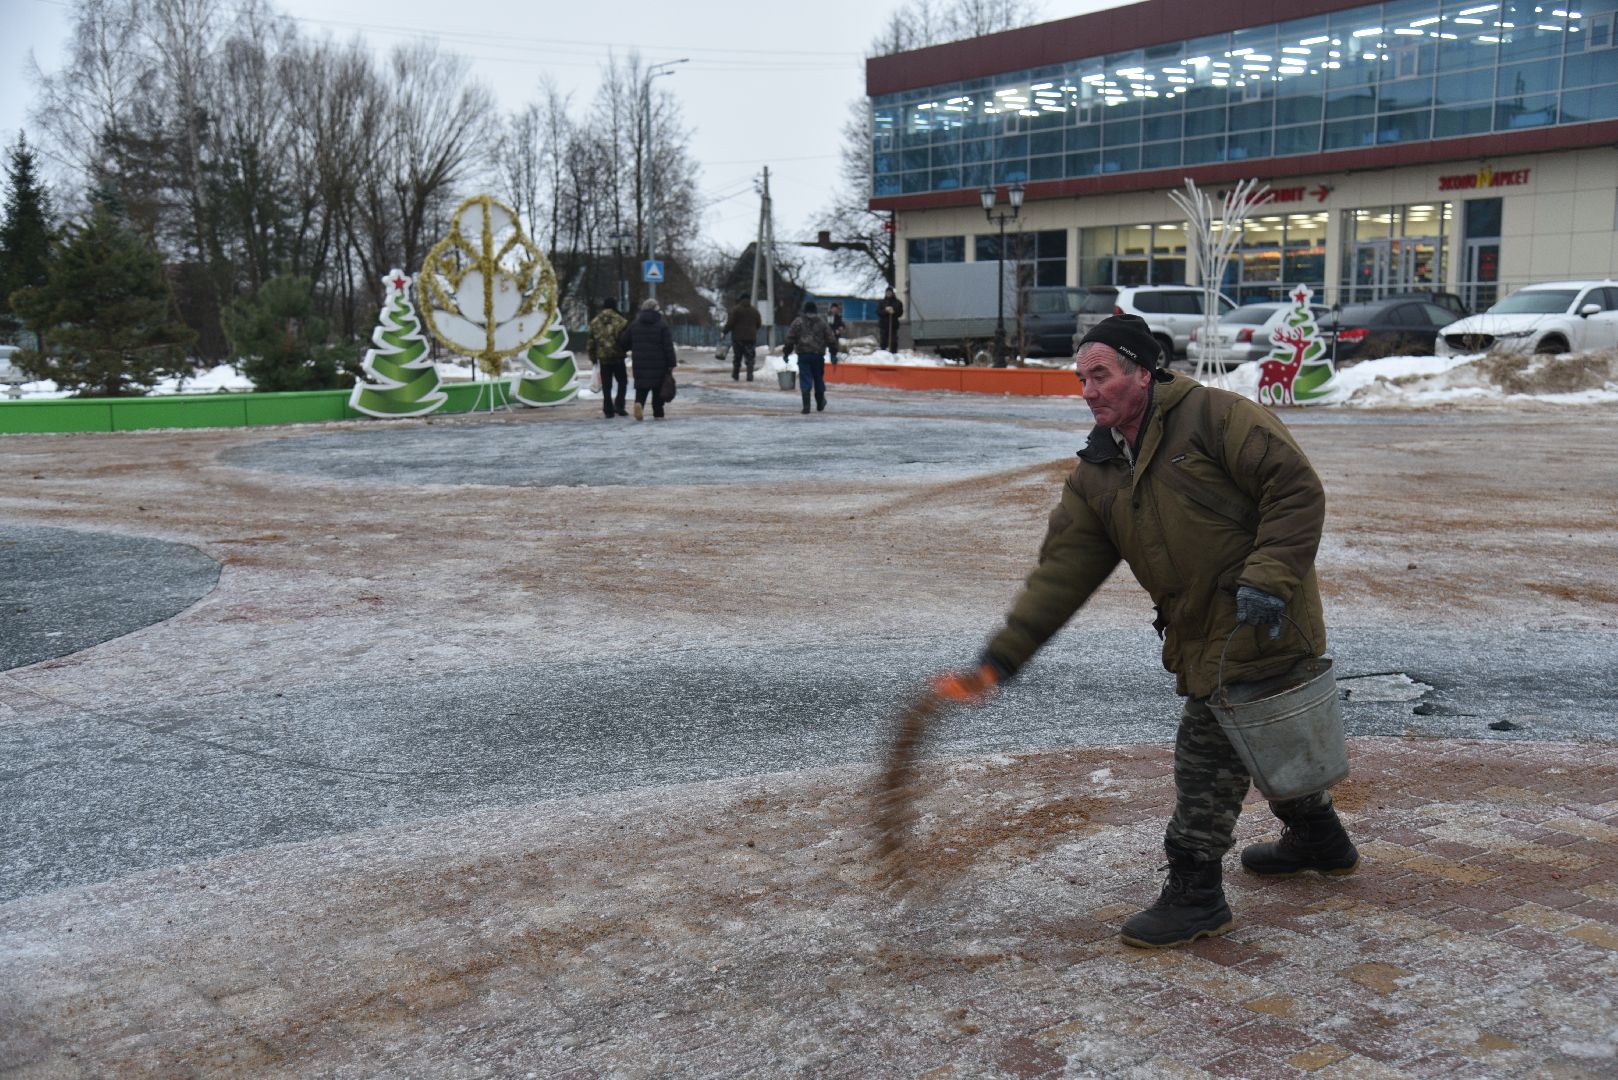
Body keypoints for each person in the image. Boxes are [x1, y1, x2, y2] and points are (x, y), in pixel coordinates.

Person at [929, 313, 1358, 949]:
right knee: (1259, 735)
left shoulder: (1215, 417)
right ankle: (1318, 837)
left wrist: (1268, 580)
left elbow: (1294, 489)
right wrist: (1001, 660)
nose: (1089, 390)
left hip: (1261, 616)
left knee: (1207, 752)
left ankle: (1196, 893)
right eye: (1082, 378)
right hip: (1196, 631)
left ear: (1142, 370)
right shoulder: (1099, 471)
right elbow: (1062, 576)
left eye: (1100, 375)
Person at [616, 298, 677, 421]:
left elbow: (623, 343)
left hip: (640, 364)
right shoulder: (662, 325)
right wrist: (671, 363)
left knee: (641, 388)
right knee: (658, 391)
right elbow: (668, 347)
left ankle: (639, 404)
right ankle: (658, 413)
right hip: (659, 365)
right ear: (656, 309)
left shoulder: (635, 324)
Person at [784, 301, 836, 415]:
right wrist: (833, 353)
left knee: (805, 378)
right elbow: (831, 338)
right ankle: (820, 403)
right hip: (818, 356)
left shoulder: (798, 322)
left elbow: (790, 339)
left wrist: (786, 352)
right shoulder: (822, 322)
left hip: (803, 355)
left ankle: (806, 406)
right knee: (818, 379)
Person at [587, 298, 629, 419]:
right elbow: (625, 339)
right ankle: (619, 406)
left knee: (606, 384)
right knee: (622, 382)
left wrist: (593, 357)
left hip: (603, 358)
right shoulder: (620, 321)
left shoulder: (595, 322)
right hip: (618, 357)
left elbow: (591, 342)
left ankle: (608, 409)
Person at [723, 293, 763, 382]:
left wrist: (724, 332)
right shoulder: (754, 311)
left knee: (737, 357)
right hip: (751, 339)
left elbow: (730, 323)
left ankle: (735, 375)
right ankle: (750, 376)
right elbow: (759, 324)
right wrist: (753, 330)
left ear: (740, 300)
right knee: (750, 358)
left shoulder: (736, 310)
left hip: (738, 338)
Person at [877, 286, 904, 353]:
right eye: (887, 292)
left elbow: (900, 313)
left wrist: (894, 311)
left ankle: (893, 353)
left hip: (893, 325)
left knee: (893, 341)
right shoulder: (882, 302)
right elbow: (878, 312)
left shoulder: (897, 302)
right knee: (883, 340)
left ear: (892, 293)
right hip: (883, 325)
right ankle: (883, 353)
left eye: (890, 292)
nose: (888, 294)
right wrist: (885, 311)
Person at [828, 302, 846, 366]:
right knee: (832, 348)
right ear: (831, 309)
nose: (835, 310)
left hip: (836, 336)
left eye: (836, 309)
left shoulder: (838, 317)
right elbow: (828, 326)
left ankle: (834, 359)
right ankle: (833, 360)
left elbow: (842, 324)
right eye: (833, 309)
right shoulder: (829, 316)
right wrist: (833, 331)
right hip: (830, 336)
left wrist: (841, 328)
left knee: (835, 348)